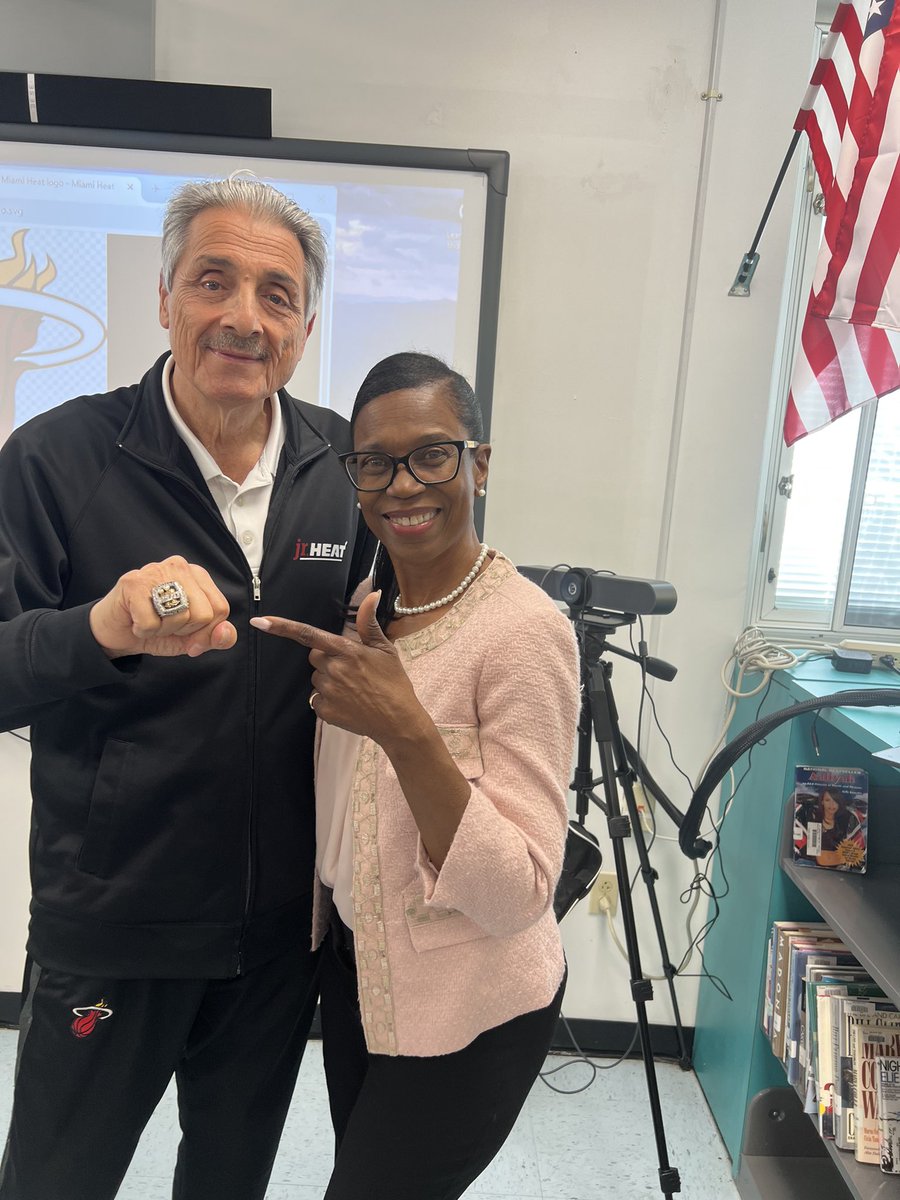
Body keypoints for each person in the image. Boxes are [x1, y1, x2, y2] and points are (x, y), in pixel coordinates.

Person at [0, 176, 371, 1200]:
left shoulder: (346, 467)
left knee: (228, 1183)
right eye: (214, 281)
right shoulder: (56, 459)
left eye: (277, 295)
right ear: (164, 296)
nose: (244, 317)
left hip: (278, 937)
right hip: (113, 927)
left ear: (304, 328)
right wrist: (102, 629)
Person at [252, 351, 580, 1200]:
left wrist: (406, 731)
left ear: (479, 463)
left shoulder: (523, 632)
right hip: (359, 975)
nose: (402, 486)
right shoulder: (367, 607)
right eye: (375, 463)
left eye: (431, 455)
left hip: (470, 1003)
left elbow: (519, 893)